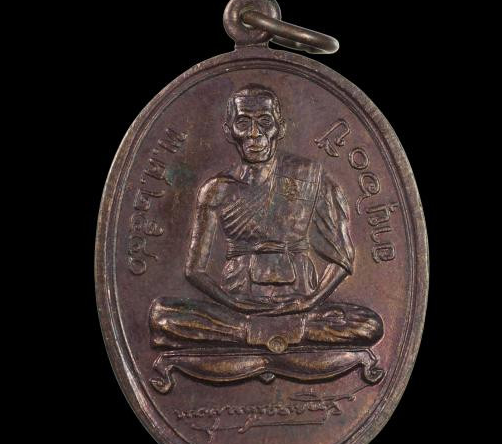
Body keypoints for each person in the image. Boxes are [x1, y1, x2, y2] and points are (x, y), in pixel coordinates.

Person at [150, 85, 383, 352]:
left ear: (279, 129)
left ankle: (250, 334)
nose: (254, 133)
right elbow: (194, 270)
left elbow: (341, 257)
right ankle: (273, 332)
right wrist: (234, 303)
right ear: (229, 130)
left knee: (369, 324)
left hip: (299, 302)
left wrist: (309, 302)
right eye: (243, 123)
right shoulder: (216, 189)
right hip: (239, 305)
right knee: (162, 316)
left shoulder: (310, 176)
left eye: (264, 122)